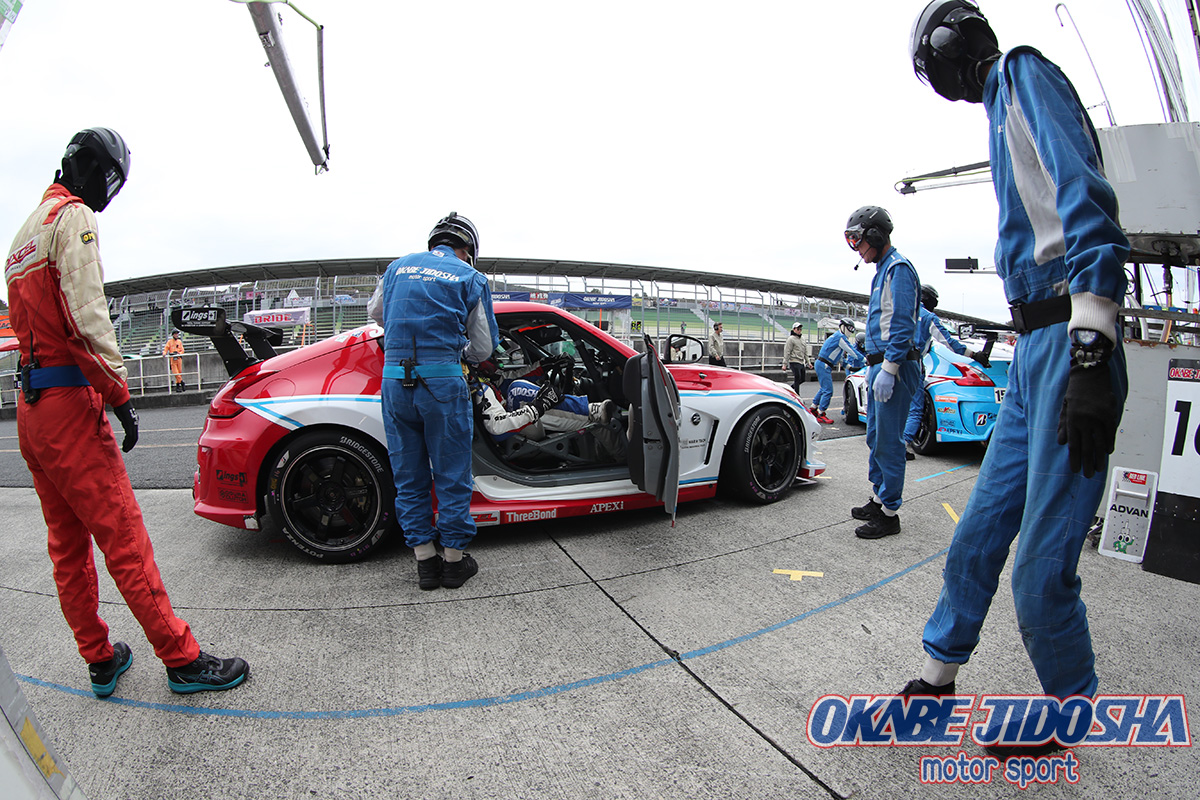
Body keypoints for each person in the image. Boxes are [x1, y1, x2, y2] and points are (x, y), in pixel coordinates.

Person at [904, 2, 1130, 751]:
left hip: (1069, 338)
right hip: (1033, 349)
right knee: (976, 536)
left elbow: (1086, 204)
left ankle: (1069, 708)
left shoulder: (1023, 74)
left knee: (1039, 569)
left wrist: (1091, 352)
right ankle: (937, 678)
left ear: (946, 47)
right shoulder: (1001, 107)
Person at [5, 128, 248, 696]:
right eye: (111, 180)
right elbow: (87, 316)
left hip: (30, 411)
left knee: (66, 547)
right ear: (93, 169)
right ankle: (181, 658)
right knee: (123, 535)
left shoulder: (21, 236)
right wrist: (119, 394)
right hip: (69, 405)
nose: (109, 194)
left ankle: (99, 658)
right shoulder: (73, 218)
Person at [368, 213, 499, 591]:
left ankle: (425, 563)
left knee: (408, 475)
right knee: (451, 474)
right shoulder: (470, 277)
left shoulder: (396, 268)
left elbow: (376, 313)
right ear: (468, 249)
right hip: (442, 384)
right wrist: (459, 351)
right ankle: (454, 564)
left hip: (395, 383)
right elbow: (484, 347)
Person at [844, 206, 922, 539]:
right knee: (876, 437)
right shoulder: (883, 271)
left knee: (889, 442)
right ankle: (879, 497)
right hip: (881, 364)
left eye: (858, 240)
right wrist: (875, 365)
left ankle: (890, 513)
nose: (857, 248)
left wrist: (889, 368)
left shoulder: (898, 269)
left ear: (875, 235)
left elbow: (902, 322)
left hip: (896, 365)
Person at [902, 284, 991, 459]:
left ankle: (887, 445)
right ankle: (901, 446)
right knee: (915, 409)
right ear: (929, 299)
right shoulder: (928, 317)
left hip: (891, 362)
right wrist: (974, 355)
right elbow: (949, 342)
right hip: (912, 364)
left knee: (897, 406)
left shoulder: (902, 312)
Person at [470, 358, 623, 459]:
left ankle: (621, 457)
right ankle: (589, 409)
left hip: (518, 423)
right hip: (510, 436)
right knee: (517, 390)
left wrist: (546, 364)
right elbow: (497, 428)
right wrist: (538, 407)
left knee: (591, 422)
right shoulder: (479, 387)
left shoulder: (484, 376)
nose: (496, 361)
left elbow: (510, 378)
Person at [809, 319, 862, 424]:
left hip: (822, 364)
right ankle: (821, 413)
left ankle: (813, 408)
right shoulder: (840, 337)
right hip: (824, 364)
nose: (851, 331)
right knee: (828, 390)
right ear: (843, 327)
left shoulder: (838, 338)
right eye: (850, 328)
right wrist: (865, 360)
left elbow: (840, 358)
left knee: (824, 388)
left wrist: (850, 367)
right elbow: (852, 351)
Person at [782, 321, 808, 395]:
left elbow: (805, 351)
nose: (799, 331)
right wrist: (784, 364)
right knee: (797, 378)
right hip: (794, 361)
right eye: (798, 329)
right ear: (794, 329)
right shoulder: (791, 339)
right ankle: (797, 395)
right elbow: (787, 351)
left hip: (801, 361)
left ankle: (790, 388)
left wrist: (808, 362)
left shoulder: (802, 338)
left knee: (802, 379)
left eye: (800, 329)